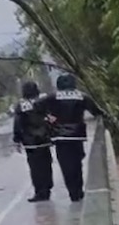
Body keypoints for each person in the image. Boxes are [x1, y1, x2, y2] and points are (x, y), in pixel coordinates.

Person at [38, 73, 102, 203]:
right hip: (78, 135)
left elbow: (36, 106)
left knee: (66, 166)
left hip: (60, 136)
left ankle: (73, 192)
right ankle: (79, 190)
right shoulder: (82, 96)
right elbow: (96, 111)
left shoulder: (52, 97)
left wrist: (48, 117)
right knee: (77, 164)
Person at [13, 80, 54, 202]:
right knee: (47, 165)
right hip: (45, 139)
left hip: (30, 142)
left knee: (35, 168)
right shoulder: (44, 102)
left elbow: (18, 124)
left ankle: (39, 191)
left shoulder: (21, 106)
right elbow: (52, 118)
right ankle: (47, 189)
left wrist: (17, 139)